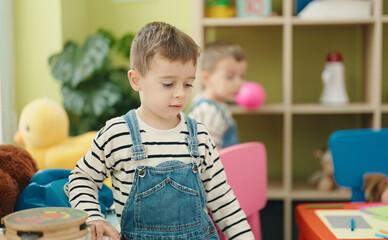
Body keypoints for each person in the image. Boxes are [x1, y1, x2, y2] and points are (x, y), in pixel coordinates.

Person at [68, 22, 254, 240]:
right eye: (168, 84)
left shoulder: (200, 136)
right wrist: (93, 216)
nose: (180, 94)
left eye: (188, 84)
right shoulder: (116, 134)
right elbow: (82, 178)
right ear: (136, 80)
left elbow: (223, 200)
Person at [187, 41, 247, 150]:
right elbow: (208, 154)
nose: (239, 83)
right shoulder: (209, 112)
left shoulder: (216, 104)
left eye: (242, 76)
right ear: (207, 78)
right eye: (230, 77)